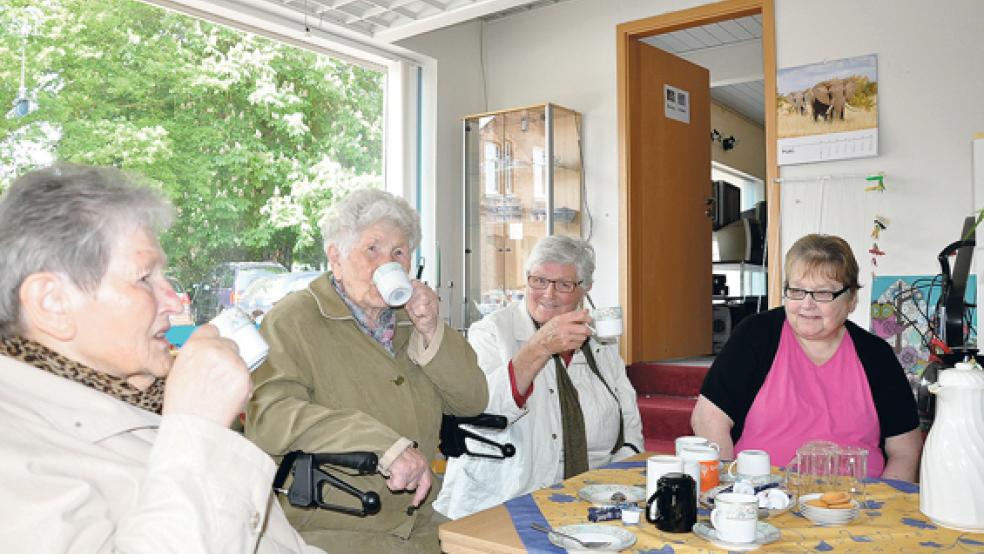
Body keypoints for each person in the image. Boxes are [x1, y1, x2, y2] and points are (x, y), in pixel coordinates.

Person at [0, 163, 321, 553]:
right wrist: (198, 427)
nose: (173, 301)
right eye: (144, 278)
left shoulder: (134, 396)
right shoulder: (14, 457)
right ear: (53, 303)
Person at [245, 188, 488, 553]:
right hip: (333, 528)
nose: (386, 264)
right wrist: (383, 445)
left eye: (398, 253)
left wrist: (431, 330)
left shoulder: (411, 320)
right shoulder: (293, 320)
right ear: (336, 258)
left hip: (417, 522)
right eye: (371, 249)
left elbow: (472, 401)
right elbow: (271, 415)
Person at [434, 235, 644, 519]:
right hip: (503, 500)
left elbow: (629, 423)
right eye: (539, 281)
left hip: (592, 497)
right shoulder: (491, 332)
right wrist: (540, 347)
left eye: (564, 285)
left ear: (585, 288)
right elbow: (483, 409)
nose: (548, 294)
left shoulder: (600, 342)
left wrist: (615, 484)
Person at [692, 234, 922, 481]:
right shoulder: (756, 335)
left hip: (855, 498)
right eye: (797, 291)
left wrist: (885, 500)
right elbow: (708, 419)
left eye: (823, 293)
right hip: (764, 493)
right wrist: (731, 489)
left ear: (851, 300)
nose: (807, 304)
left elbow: (905, 450)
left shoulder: (877, 356)